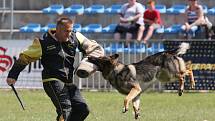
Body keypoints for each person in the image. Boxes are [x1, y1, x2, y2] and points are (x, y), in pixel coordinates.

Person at [6, 17, 104, 121]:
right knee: (66, 110)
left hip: (68, 82)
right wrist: (13, 75)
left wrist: (91, 61)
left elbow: (91, 47)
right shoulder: (43, 42)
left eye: (70, 31)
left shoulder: (75, 36)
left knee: (82, 109)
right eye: (66, 31)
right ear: (58, 30)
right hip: (52, 80)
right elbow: (25, 57)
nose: (69, 34)